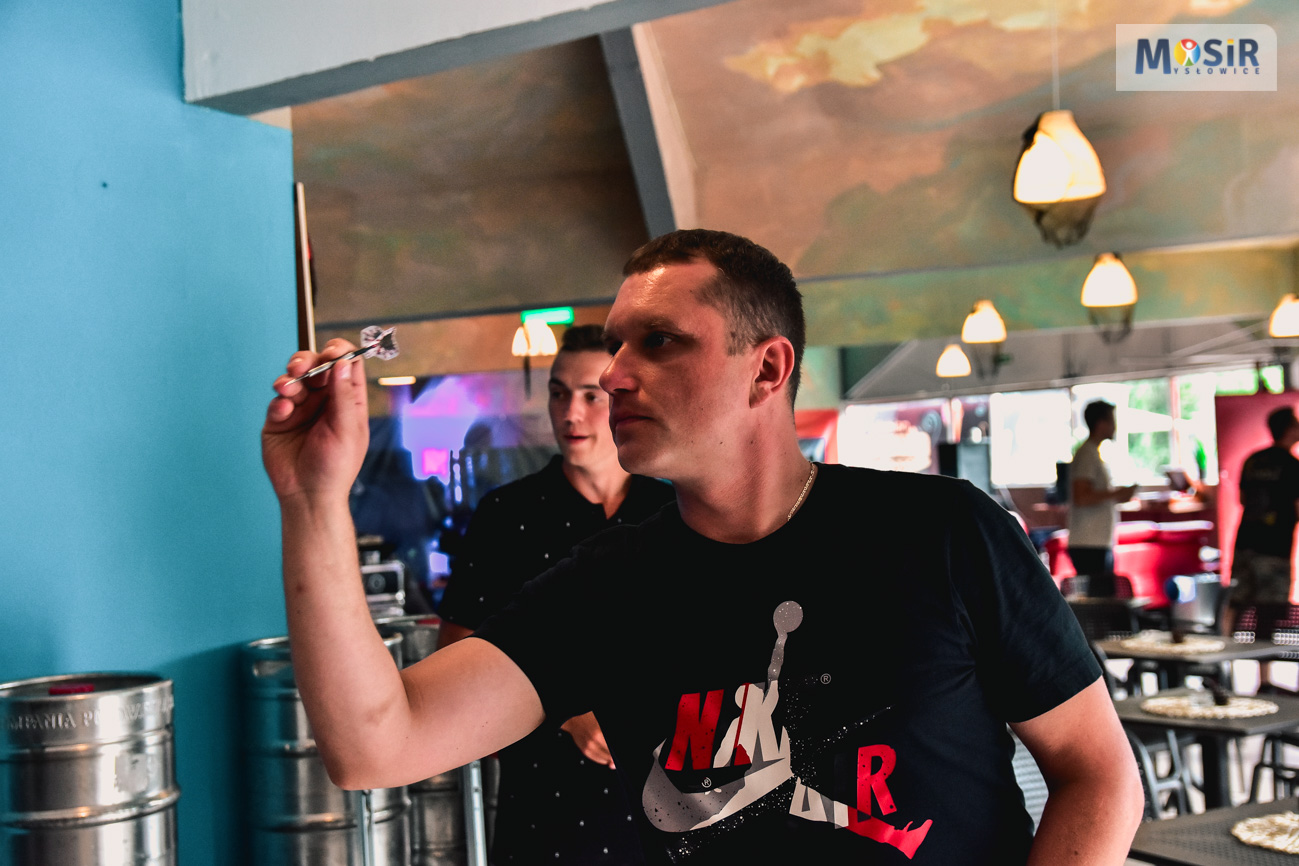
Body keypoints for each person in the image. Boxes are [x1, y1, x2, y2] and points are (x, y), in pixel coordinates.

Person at [262, 229, 1143, 864]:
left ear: (766, 368)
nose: (614, 376)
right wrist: (311, 501)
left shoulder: (942, 532)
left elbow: (1097, 774)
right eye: (616, 346)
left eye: (659, 342)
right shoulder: (607, 584)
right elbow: (376, 746)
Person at [435, 324, 675, 865]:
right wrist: (566, 711)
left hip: (671, 807)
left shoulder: (675, 510)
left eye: (591, 395)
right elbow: (455, 654)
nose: (570, 413)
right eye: (558, 394)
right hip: (545, 813)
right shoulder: (507, 515)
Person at [1222, 407, 1299, 659]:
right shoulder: (1292, 466)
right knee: (1269, 612)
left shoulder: (1253, 460)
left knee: (1236, 603)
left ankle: (1222, 662)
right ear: (1289, 429)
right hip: (1274, 548)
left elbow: (1243, 499)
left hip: (1245, 543)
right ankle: (1263, 674)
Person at [1067, 400, 1138, 597]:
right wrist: (1117, 494)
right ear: (1101, 423)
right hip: (1089, 543)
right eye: (1112, 421)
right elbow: (1081, 497)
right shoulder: (1087, 454)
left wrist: (1116, 495)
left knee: (1105, 596)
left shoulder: (1094, 453)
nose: (1115, 427)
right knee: (1101, 601)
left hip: (1097, 541)